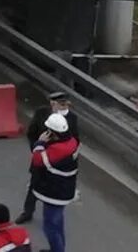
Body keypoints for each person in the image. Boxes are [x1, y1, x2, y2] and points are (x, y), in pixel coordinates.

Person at [18, 91, 80, 223]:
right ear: (53, 104)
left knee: (56, 189)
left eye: (65, 104)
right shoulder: (42, 113)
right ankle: (28, 212)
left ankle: (55, 215)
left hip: (58, 162)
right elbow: (32, 133)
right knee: (33, 185)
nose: (64, 107)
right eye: (61, 104)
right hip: (41, 158)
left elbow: (75, 140)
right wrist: (37, 149)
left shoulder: (72, 118)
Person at [30, 113, 79, 252]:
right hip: (64, 189)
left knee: (50, 227)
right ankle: (58, 249)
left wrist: (40, 143)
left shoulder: (58, 149)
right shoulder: (72, 142)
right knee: (58, 223)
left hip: (55, 192)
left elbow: (38, 160)